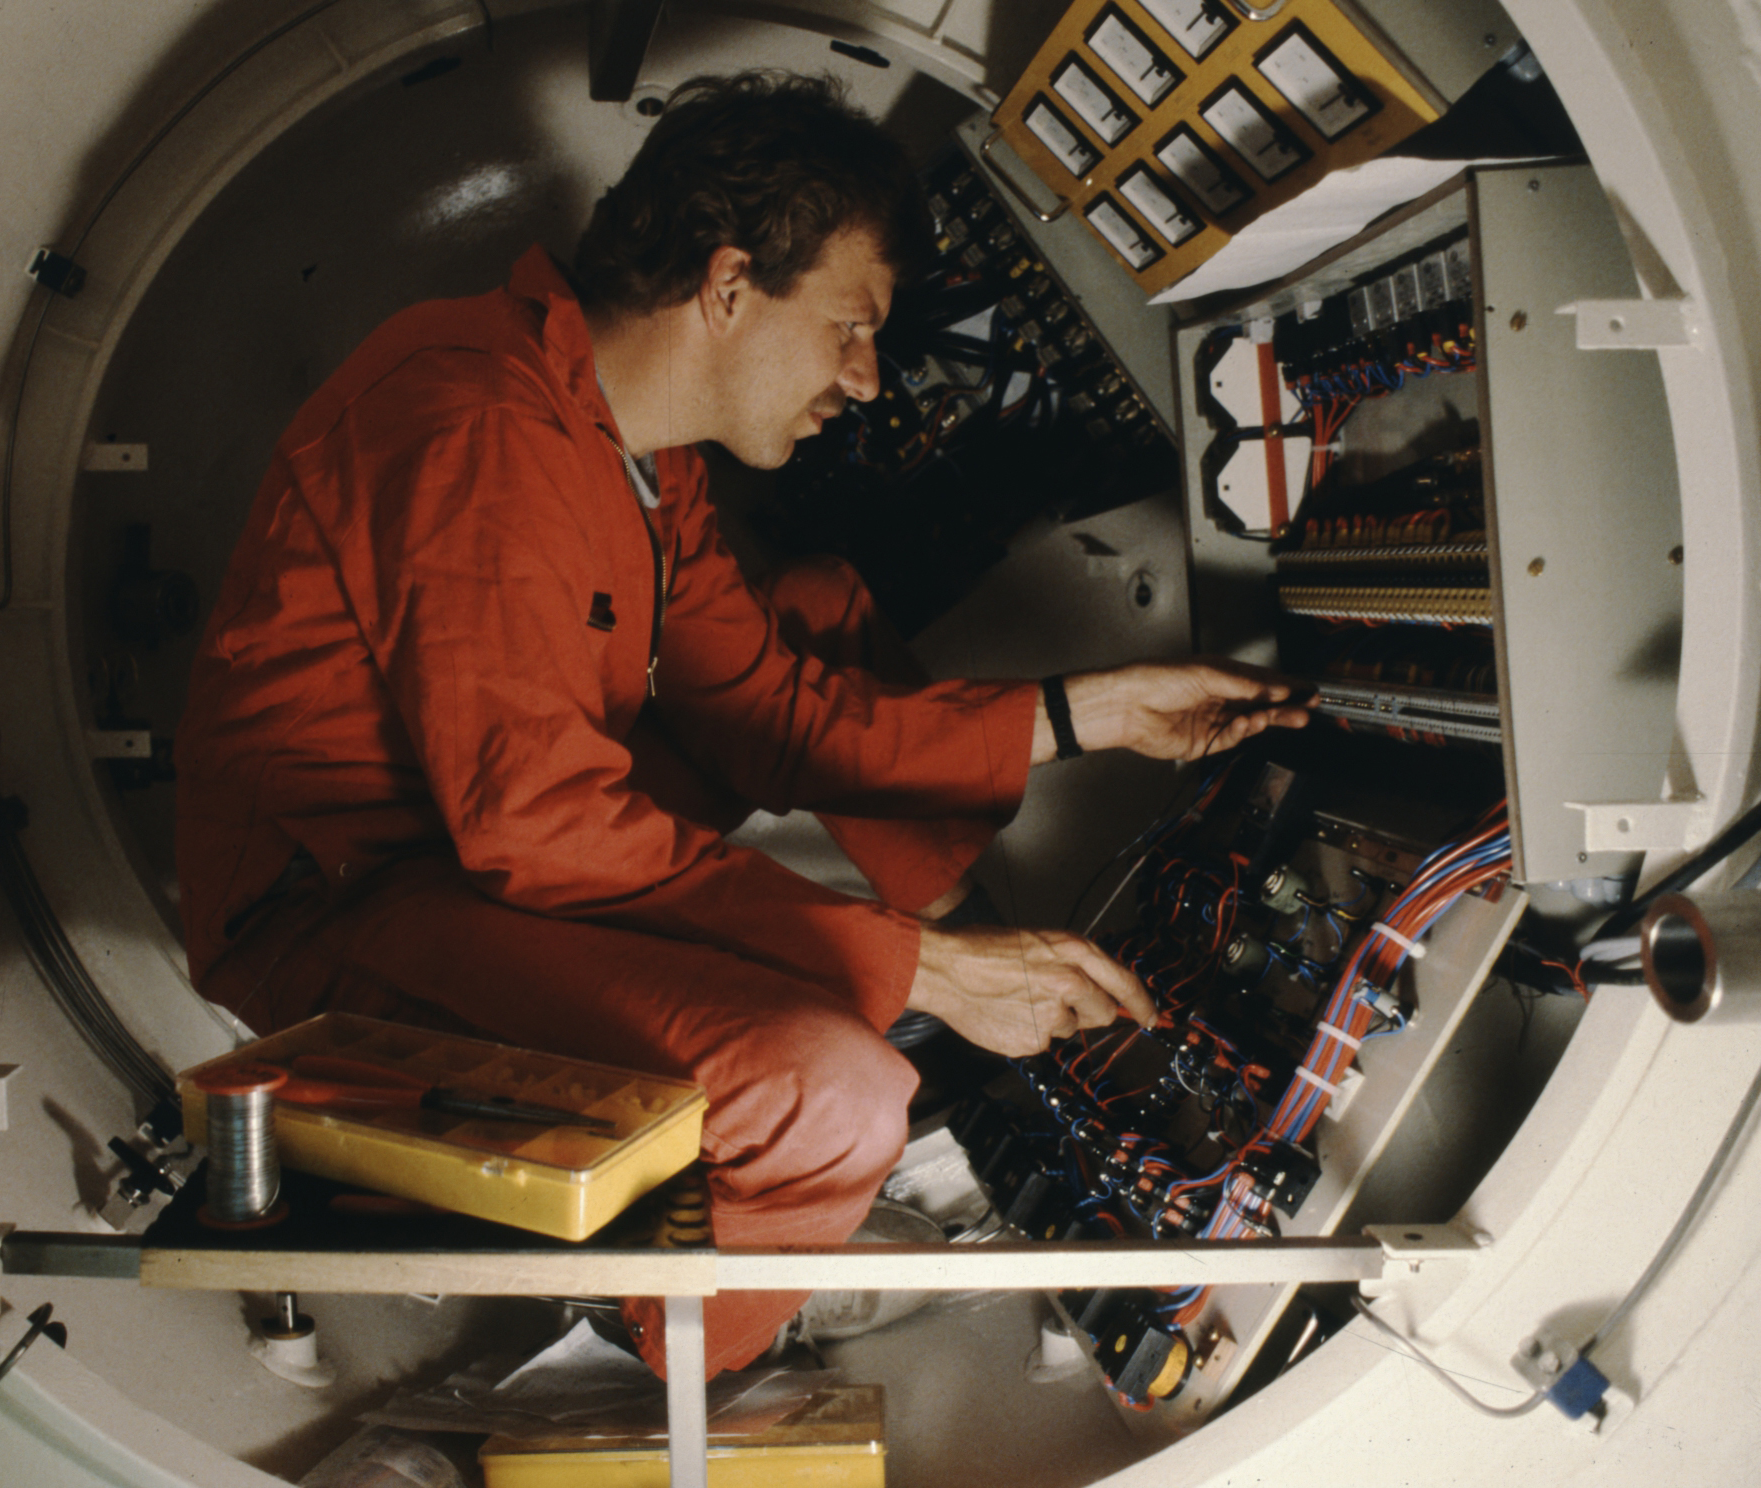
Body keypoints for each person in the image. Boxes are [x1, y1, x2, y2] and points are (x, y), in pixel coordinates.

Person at [169, 70, 1311, 1377]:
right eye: (849, 328)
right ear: (726, 287)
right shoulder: (473, 421)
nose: (867, 380)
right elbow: (540, 833)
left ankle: (999, 1003)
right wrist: (917, 973)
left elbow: (770, 717)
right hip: (340, 910)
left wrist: (1094, 710)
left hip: (471, 850)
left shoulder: (646, 454)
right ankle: (667, 1352)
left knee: (813, 609)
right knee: (832, 1093)